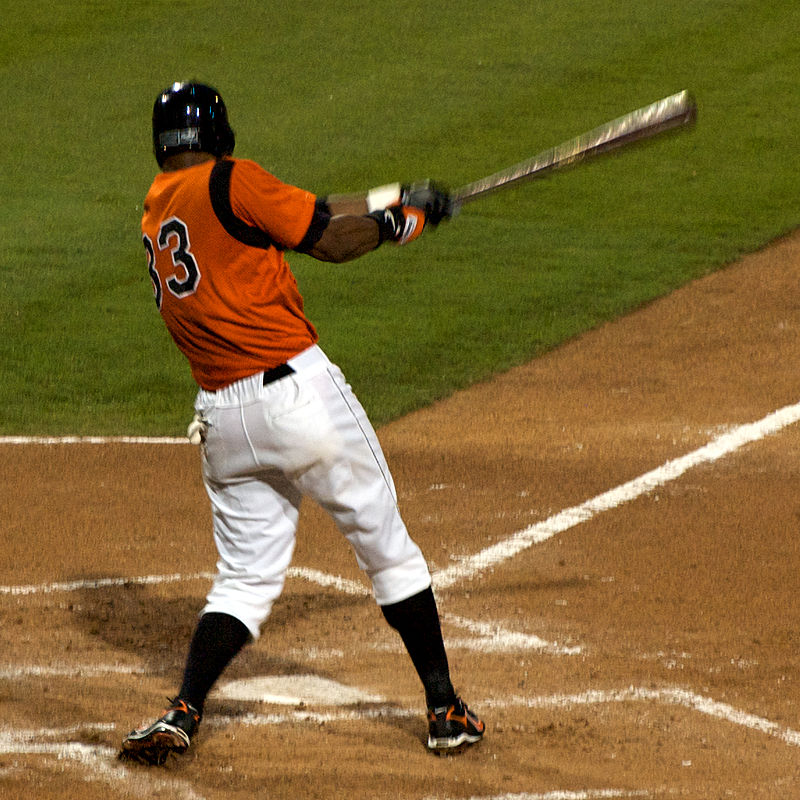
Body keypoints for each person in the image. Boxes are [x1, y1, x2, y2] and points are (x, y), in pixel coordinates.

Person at [118, 81, 484, 767]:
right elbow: (328, 240)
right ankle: (444, 708)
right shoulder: (233, 179)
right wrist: (395, 225)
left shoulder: (158, 208)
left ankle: (185, 709)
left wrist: (393, 194)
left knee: (245, 580)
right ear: (219, 137)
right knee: (387, 548)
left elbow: (307, 210)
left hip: (224, 423)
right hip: (299, 401)